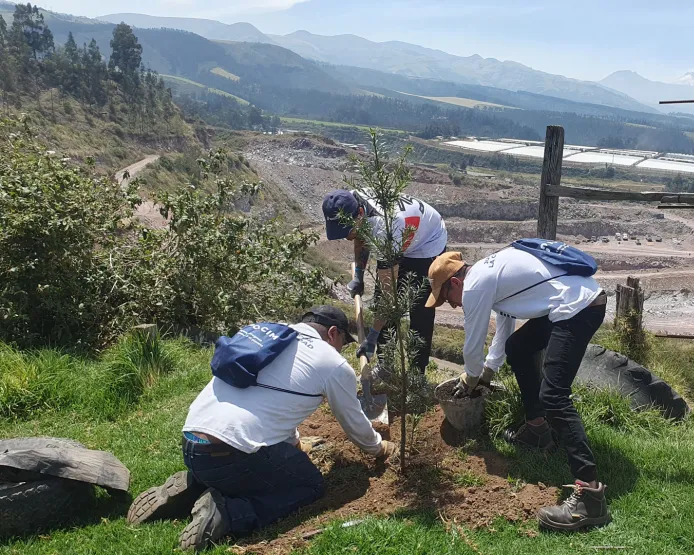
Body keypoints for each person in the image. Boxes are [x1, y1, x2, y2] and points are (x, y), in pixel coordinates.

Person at [126, 306, 396, 551]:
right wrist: (378, 446)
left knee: (245, 459)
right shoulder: (332, 364)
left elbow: (270, 403)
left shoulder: (268, 337)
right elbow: (352, 421)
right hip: (231, 455)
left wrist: (295, 443)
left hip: (193, 444)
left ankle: (194, 483)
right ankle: (229, 512)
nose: (340, 350)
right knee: (309, 485)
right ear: (333, 333)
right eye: (341, 343)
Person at [426, 247, 611, 531]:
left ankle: (591, 497)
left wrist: (472, 377)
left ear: (455, 282)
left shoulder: (476, 285)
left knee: (554, 395)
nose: (450, 305)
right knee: (519, 347)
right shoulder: (490, 276)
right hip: (575, 301)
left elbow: (472, 343)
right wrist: (488, 370)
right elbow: (504, 330)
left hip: (578, 307)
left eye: (446, 298)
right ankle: (538, 429)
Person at [322, 189, 447, 375]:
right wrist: (358, 276)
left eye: (347, 230)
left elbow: (389, 296)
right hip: (401, 234)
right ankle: (385, 364)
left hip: (427, 242)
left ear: (361, 213)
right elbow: (360, 236)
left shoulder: (385, 226)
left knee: (420, 308)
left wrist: (371, 336)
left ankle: (416, 373)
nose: (346, 236)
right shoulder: (348, 200)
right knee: (382, 297)